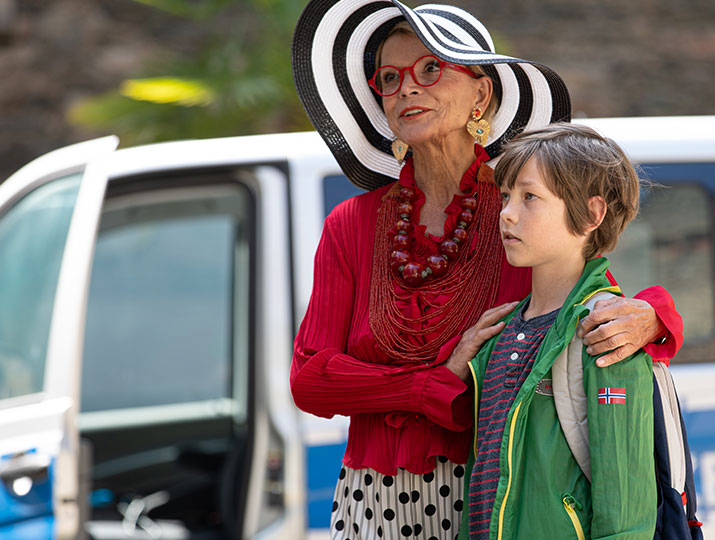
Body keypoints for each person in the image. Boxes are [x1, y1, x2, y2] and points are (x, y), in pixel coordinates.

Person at [289, 1, 682, 538]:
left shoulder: (519, 209)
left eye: (431, 68)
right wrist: (430, 386)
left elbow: (592, 295)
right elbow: (311, 380)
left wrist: (654, 316)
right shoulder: (351, 224)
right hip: (370, 501)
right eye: (388, 77)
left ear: (482, 93)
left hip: (496, 493)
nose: (407, 88)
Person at [450, 123, 657, 540]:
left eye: (530, 197)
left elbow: (627, 508)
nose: (507, 212)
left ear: (592, 215)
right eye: (506, 196)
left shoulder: (607, 331)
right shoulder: (500, 330)